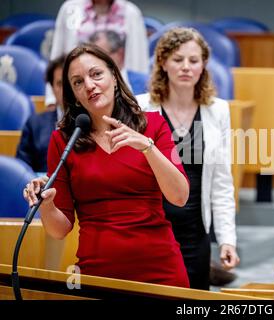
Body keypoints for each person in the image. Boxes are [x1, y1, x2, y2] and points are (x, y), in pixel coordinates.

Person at [24, 44, 190, 287]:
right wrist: (46, 205)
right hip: (97, 271)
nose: (89, 85)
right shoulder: (63, 140)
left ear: (114, 76)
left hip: (160, 268)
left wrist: (148, 148)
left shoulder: (153, 125)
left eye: (96, 74)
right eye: (78, 82)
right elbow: (59, 230)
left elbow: (180, 196)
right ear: (73, 94)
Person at [137, 27, 240, 290]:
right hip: (152, 229)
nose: (186, 67)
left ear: (204, 64)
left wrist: (227, 239)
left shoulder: (217, 110)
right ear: (162, 62)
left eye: (193, 60)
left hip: (196, 231)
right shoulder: (141, 108)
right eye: (177, 59)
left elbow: (221, 183)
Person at [50, 0, 148, 73]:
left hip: (121, 88)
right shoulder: (70, 9)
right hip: (77, 85)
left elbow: (139, 63)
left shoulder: (131, 13)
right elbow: (57, 57)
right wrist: (52, 98)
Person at [16, 55, 65, 173]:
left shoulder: (93, 121)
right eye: (60, 84)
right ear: (52, 88)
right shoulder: (34, 124)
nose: (66, 89)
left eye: (72, 82)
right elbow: (23, 171)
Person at [89, 30, 148, 95]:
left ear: (120, 53)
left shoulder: (145, 83)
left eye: (102, 56)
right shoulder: (91, 88)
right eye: (93, 57)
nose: (96, 62)